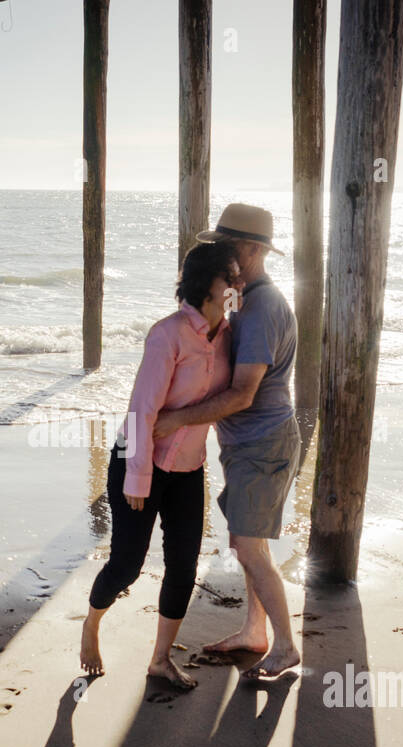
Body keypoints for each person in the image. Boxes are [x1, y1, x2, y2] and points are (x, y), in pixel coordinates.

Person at [80, 242, 241, 690]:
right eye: (230, 277)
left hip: (190, 469)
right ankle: (92, 624)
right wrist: (137, 475)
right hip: (139, 461)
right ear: (207, 287)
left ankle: (160, 659)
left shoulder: (229, 335)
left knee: (183, 566)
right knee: (128, 565)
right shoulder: (167, 335)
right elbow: (141, 411)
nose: (237, 284)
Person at [154, 203, 302, 680]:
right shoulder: (247, 298)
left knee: (249, 548)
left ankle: (284, 647)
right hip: (250, 444)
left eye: (228, 244)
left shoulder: (261, 308)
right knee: (247, 543)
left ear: (255, 250)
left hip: (262, 442)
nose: (219, 252)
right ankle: (254, 632)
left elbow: (243, 394)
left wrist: (177, 418)